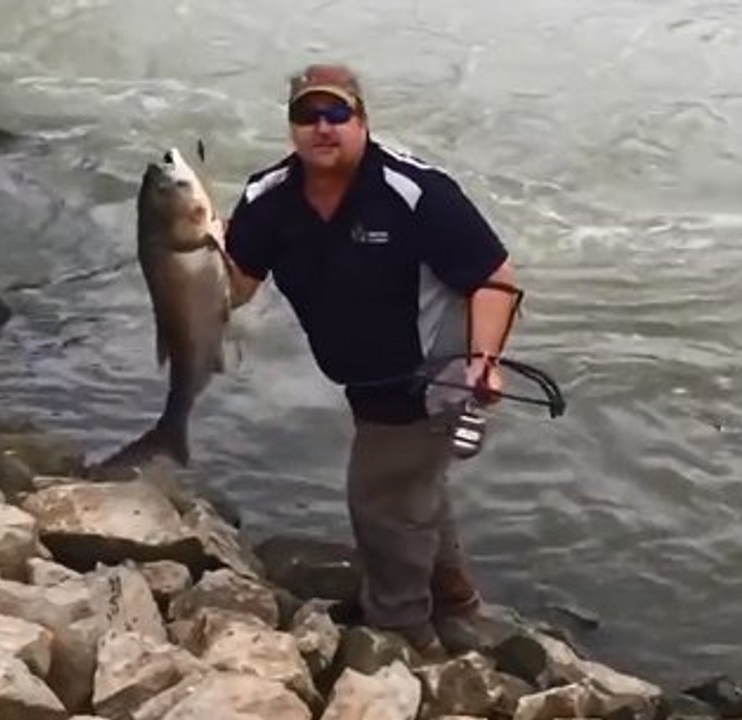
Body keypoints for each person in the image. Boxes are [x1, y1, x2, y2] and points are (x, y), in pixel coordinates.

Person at [220, 62, 520, 655]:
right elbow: (238, 288)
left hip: (438, 355)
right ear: (292, 128)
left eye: (338, 114)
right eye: (308, 115)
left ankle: (402, 634)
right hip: (365, 368)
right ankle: (453, 596)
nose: (323, 127)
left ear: (363, 121)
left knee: (380, 494)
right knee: (411, 482)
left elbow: (495, 280)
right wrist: (194, 246)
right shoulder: (267, 198)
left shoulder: (415, 192)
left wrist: (485, 360)